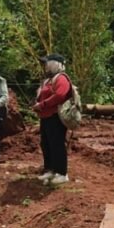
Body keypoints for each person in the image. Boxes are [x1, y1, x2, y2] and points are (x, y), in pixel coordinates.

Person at [33, 53, 73, 186]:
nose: (45, 66)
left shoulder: (61, 78)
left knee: (57, 144)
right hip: (45, 117)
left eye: (47, 63)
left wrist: (42, 104)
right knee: (46, 144)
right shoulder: (49, 80)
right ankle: (50, 169)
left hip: (55, 117)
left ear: (55, 64)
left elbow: (60, 95)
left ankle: (62, 173)